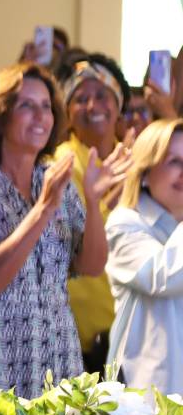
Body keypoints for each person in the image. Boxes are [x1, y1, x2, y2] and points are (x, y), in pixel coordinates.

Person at [0, 63, 117, 398]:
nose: (40, 116)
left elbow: (91, 266)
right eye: (26, 105)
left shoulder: (56, 179)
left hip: (58, 348)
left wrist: (95, 199)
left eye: (46, 107)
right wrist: (43, 208)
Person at [53, 55, 135, 370]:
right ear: (67, 113)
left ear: (119, 103)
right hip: (81, 339)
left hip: (132, 329)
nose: (92, 106)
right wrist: (111, 197)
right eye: (80, 99)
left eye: (101, 95)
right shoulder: (63, 162)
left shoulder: (137, 155)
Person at [106, 119, 183, 394]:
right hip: (147, 405)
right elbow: (164, 275)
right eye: (174, 161)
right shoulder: (124, 223)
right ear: (146, 172)